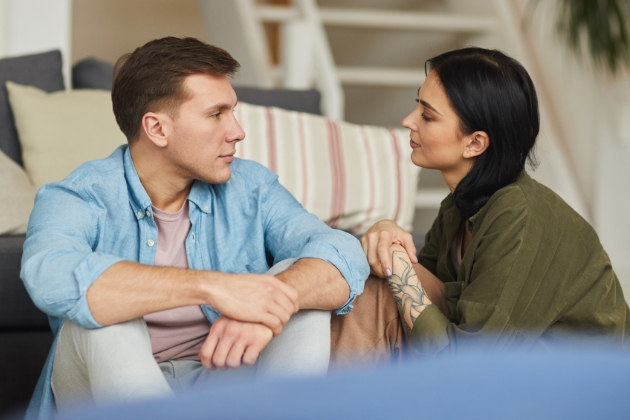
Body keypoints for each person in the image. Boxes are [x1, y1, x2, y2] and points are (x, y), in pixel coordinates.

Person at [21, 37, 369, 419]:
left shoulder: (251, 186)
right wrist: (214, 287)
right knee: (106, 314)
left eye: (232, 112)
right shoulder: (77, 195)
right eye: (217, 114)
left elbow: (340, 251)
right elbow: (48, 274)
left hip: (224, 380)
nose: (237, 131)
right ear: (157, 129)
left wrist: (266, 305)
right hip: (102, 394)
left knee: (295, 284)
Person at [333, 47, 629, 361]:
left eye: (428, 115)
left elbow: (470, 361)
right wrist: (386, 231)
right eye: (416, 106)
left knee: (383, 287)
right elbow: (422, 286)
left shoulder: (519, 216)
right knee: (376, 285)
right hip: (507, 373)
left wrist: (396, 265)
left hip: (581, 391)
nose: (408, 121)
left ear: (475, 143)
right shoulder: (460, 206)